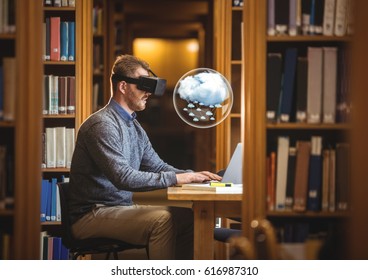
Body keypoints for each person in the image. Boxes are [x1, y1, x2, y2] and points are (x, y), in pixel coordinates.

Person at [68, 54, 221, 259]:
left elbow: (157, 166)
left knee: (189, 218)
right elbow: (123, 178)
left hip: (118, 209)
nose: (148, 93)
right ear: (123, 86)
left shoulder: (133, 125)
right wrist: (177, 178)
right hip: (92, 214)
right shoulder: (102, 125)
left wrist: (193, 176)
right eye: (143, 85)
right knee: (162, 221)